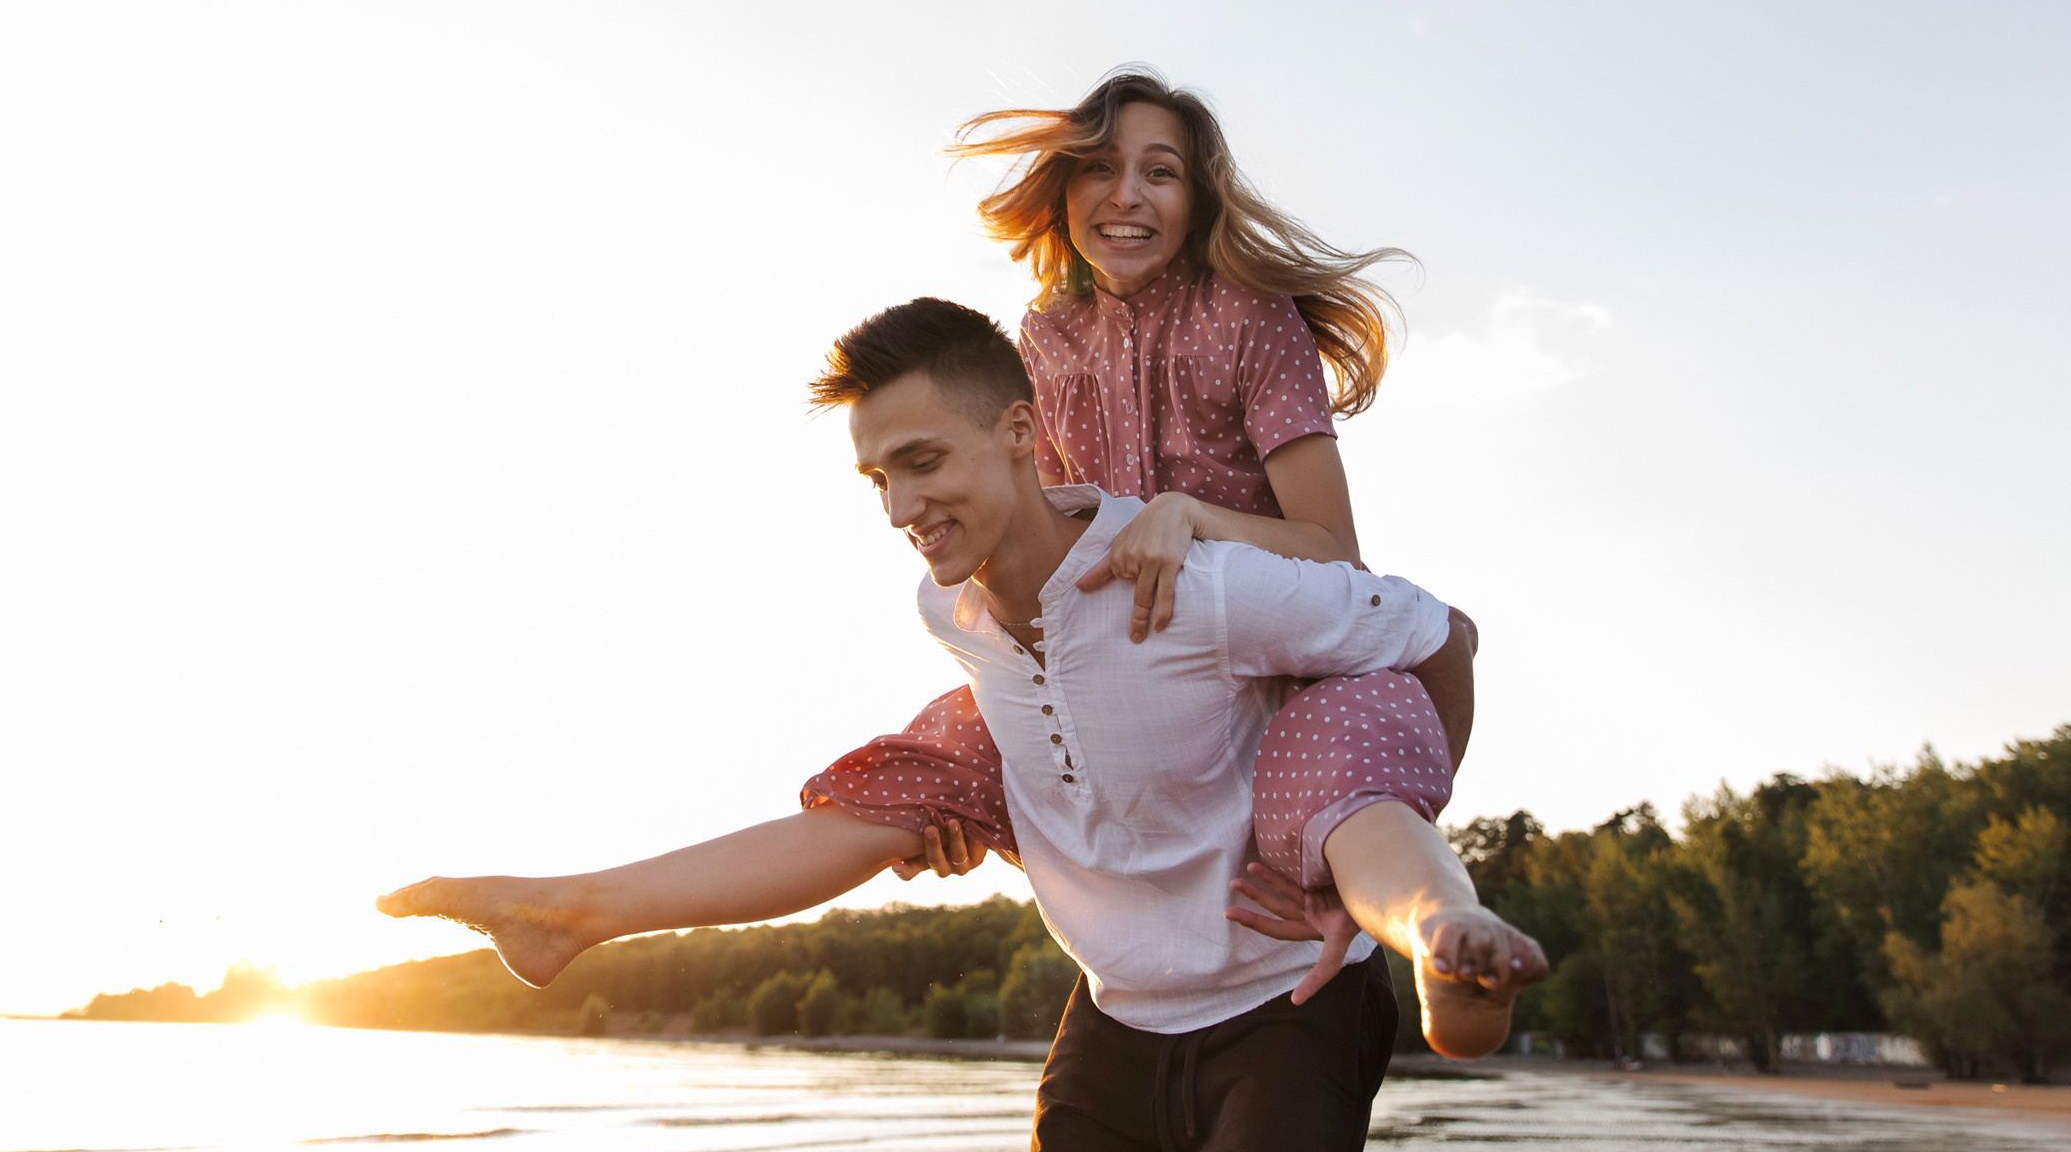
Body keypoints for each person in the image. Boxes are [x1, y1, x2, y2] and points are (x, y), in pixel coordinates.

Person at [387, 301, 1544, 1152]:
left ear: (1020, 431)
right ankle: (575, 913)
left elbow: (1443, 640)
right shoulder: (951, 617)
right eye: (877, 476)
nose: (900, 506)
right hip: (1116, 1023)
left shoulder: (1192, 583)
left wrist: (1381, 823)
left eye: (924, 462)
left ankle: (1443, 935)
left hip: (1284, 1011)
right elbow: (883, 818)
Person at [386, 68, 1540, 1055]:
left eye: (1161, 173)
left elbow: (1336, 555)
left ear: (1198, 198)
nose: (1125, 197)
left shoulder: (1249, 321)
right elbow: (1035, 514)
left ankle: (1444, 934)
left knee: (1346, 758)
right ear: (1066, 190)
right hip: (1129, 638)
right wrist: (1014, 761)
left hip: (1276, 625)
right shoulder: (1043, 336)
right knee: (909, 771)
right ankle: (578, 910)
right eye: (1100, 170)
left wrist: (1186, 514)